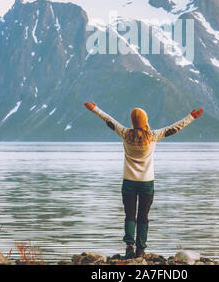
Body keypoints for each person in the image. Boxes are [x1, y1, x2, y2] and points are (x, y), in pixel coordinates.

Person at [84, 101, 203, 258]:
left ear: (133, 122)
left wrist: (95, 109)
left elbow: (109, 121)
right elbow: (174, 129)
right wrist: (191, 117)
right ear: (145, 121)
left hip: (128, 182)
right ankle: (141, 249)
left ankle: (129, 247)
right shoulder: (152, 136)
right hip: (147, 183)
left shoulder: (125, 133)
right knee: (143, 216)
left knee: (130, 215)